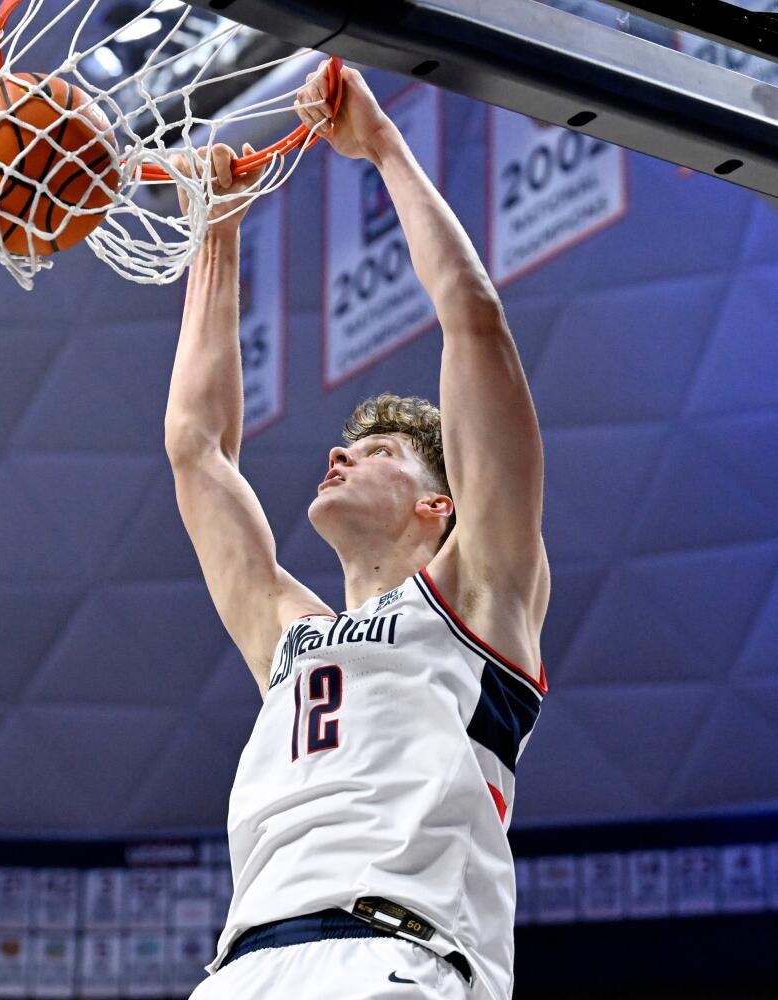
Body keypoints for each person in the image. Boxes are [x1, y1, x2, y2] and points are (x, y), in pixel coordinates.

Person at [164, 61, 550, 1000]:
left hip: (396, 957)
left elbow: (473, 321)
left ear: (439, 506)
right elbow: (196, 449)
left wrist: (380, 145)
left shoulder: (481, 591)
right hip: (243, 970)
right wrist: (217, 230)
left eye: (378, 452)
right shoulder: (290, 634)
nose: (339, 455)